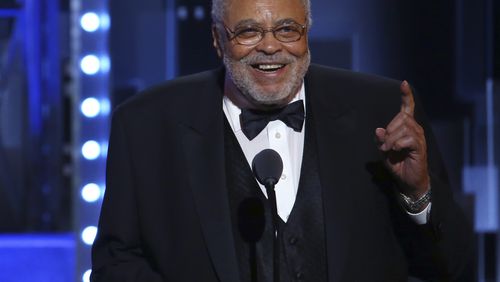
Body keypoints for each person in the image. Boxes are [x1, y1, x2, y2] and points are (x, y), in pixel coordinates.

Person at [91, 0, 474, 281]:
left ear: (307, 33)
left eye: (288, 29)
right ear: (217, 40)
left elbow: (452, 267)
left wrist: (418, 194)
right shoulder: (145, 124)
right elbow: (116, 263)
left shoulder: (384, 109)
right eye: (248, 31)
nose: (271, 47)